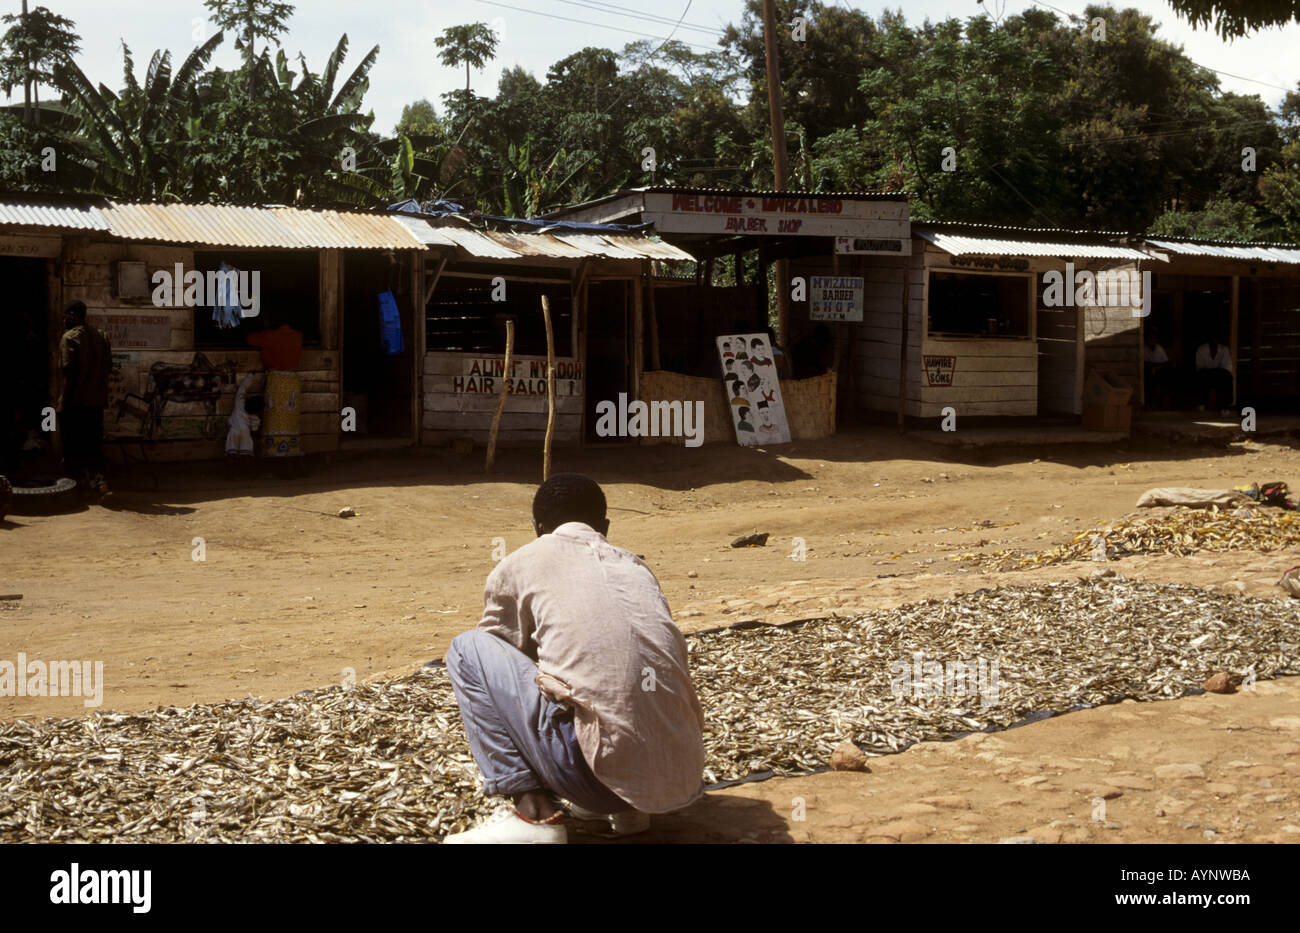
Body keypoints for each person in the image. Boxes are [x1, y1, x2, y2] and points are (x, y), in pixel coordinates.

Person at [443, 473, 705, 844]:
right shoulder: (635, 567)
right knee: (614, 669)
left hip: (588, 776)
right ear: (605, 527)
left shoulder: (521, 562)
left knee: (468, 649)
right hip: (681, 777)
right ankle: (628, 811)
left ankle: (534, 817)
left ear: (539, 528)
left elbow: (503, 655)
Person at [58, 300, 112, 500]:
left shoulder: (69, 338)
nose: (64, 319)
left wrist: (63, 401)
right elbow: (107, 369)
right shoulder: (102, 336)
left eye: (66, 315)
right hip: (96, 403)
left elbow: (68, 374)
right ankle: (101, 484)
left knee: (72, 447)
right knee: (93, 446)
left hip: (76, 402)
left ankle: (73, 490)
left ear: (73, 315)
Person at [247, 321, 303, 460]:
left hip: (276, 381)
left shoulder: (270, 336)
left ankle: (274, 453)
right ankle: (291, 451)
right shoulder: (298, 336)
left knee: (274, 420)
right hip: (292, 382)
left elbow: (249, 339)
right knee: (290, 421)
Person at [1194, 336, 1233, 415]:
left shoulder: (1224, 350)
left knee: (1227, 378)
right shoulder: (1202, 349)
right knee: (1201, 376)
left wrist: (1216, 371)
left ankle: (1224, 406)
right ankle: (1201, 404)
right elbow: (1200, 366)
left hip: (1219, 374)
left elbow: (1226, 367)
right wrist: (1212, 371)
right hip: (1206, 373)